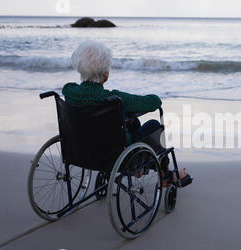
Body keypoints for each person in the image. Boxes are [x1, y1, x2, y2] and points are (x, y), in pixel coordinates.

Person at [62, 40, 187, 185]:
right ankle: (164, 174)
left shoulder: (69, 91)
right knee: (153, 125)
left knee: (133, 122)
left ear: (80, 69)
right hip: (116, 156)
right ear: (106, 75)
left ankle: (142, 167)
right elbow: (154, 102)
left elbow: (76, 94)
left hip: (81, 151)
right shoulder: (114, 99)